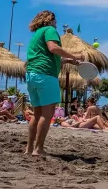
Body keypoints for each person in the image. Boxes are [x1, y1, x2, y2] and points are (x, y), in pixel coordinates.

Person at [25, 11, 82, 157]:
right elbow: (53, 48)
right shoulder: (50, 30)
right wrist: (74, 55)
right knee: (47, 113)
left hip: (32, 75)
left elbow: (49, 57)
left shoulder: (36, 34)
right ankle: (39, 149)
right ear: (50, 20)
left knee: (36, 114)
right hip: (45, 76)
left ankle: (29, 149)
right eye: (55, 21)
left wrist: (68, 60)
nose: (56, 24)